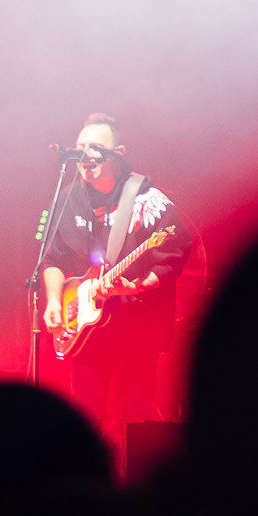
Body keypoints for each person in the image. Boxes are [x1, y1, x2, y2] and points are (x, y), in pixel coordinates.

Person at [40, 114, 193, 442]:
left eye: (95, 148)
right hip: (86, 334)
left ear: (118, 153)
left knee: (134, 425)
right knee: (83, 423)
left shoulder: (146, 198)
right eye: (80, 147)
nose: (86, 155)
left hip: (137, 332)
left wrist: (137, 285)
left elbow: (176, 250)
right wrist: (54, 300)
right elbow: (53, 259)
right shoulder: (70, 197)